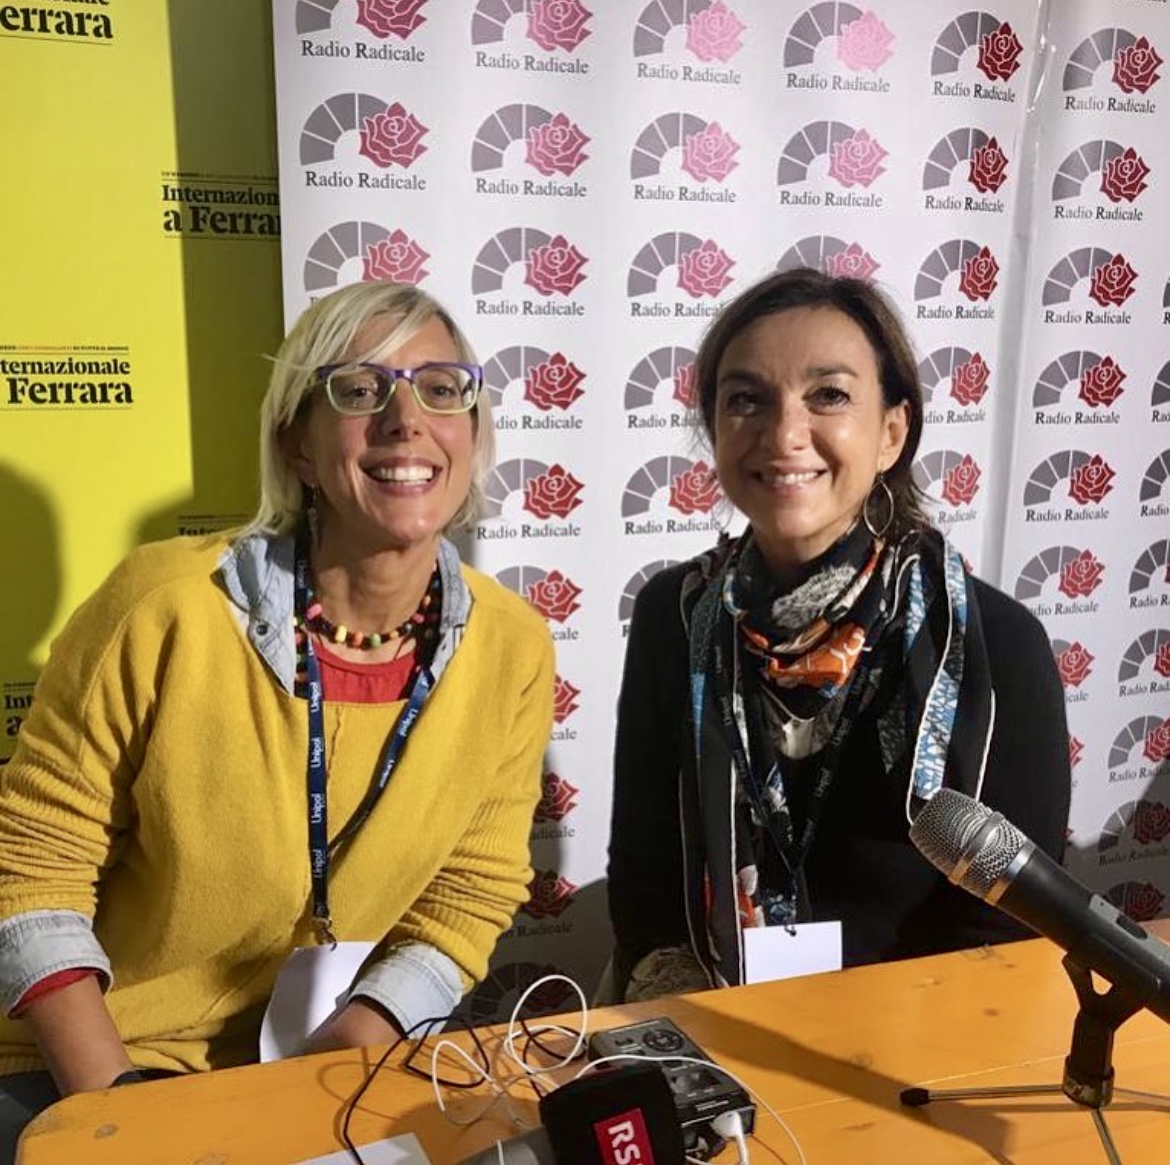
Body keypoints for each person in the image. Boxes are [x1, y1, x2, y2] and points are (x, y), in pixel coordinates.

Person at [0, 281, 555, 1150]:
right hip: (92, 1062)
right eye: (359, 389)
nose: (406, 420)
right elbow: (31, 873)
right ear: (298, 445)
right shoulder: (162, 608)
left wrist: (329, 1070)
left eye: (441, 388)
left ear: (473, 431)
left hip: (328, 1067)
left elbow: (468, 896)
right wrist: (125, 1116)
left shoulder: (513, 647)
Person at [607, 268, 1070, 1002]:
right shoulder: (675, 614)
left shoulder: (994, 643)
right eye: (746, 399)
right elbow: (646, 876)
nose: (784, 435)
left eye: (828, 395)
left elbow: (1006, 925)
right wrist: (689, 1028)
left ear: (892, 433)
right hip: (712, 1014)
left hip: (918, 1032)